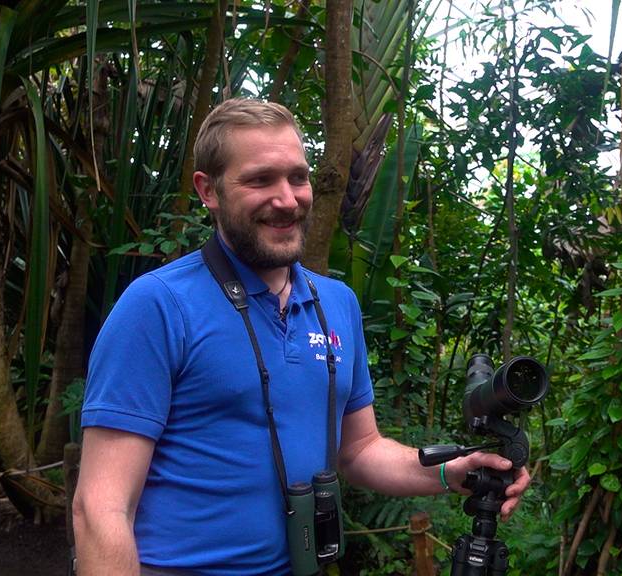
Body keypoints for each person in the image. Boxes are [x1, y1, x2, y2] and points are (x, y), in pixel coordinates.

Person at [72, 98, 530, 575]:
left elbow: (359, 449)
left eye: (297, 177)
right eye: (260, 179)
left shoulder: (337, 303)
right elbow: (101, 508)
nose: (288, 199)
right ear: (208, 190)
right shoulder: (158, 305)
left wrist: (445, 471)